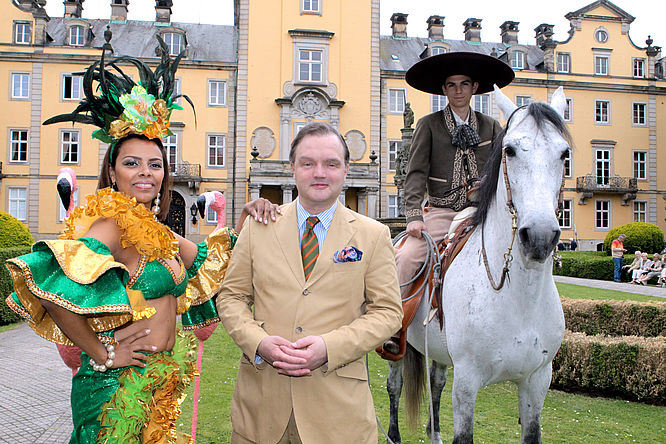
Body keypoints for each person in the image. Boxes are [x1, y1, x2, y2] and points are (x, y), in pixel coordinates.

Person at [4, 40, 276, 444]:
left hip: (159, 380)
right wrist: (102, 353)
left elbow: (208, 260)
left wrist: (247, 213)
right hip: (116, 389)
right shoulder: (110, 225)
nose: (145, 173)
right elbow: (50, 290)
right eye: (131, 163)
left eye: (155, 164)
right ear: (112, 173)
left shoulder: (157, 230)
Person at [217, 122, 403, 444]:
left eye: (331, 163)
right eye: (308, 163)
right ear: (293, 169)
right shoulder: (258, 228)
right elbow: (231, 297)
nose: (320, 173)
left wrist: (329, 348)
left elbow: (387, 312)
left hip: (338, 415)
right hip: (261, 409)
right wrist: (259, 342)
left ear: (346, 170)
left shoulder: (374, 235)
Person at [380, 52, 514, 357]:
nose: (458, 90)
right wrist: (414, 216)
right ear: (444, 89)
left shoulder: (492, 127)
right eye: (452, 85)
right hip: (441, 212)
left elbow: (502, 169)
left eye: (464, 84)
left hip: (483, 212)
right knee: (408, 257)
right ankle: (394, 328)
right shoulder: (428, 125)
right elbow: (414, 175)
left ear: (474, 87)